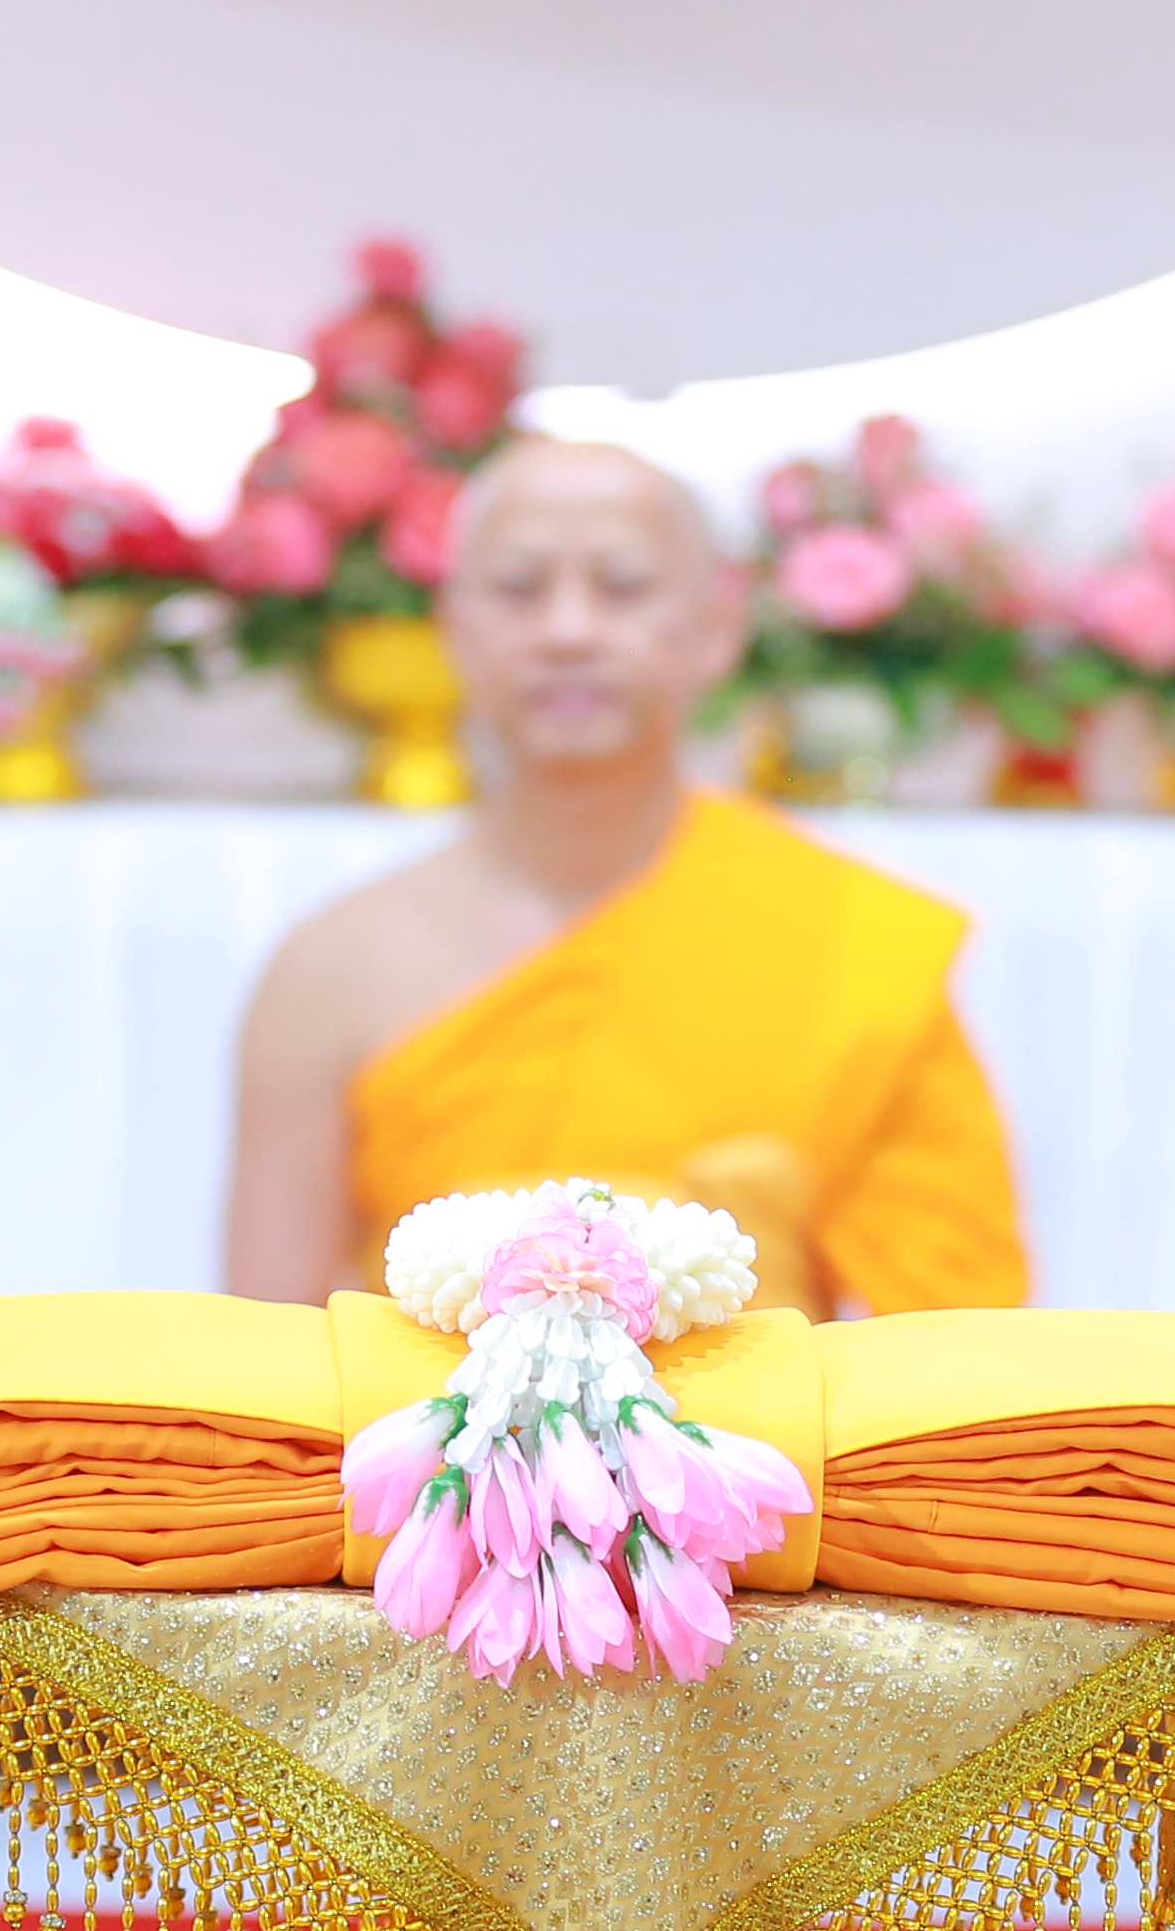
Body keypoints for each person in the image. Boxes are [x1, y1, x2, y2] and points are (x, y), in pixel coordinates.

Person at [218, 438, 1024, 1317]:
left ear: (717, 630)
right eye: (521, 588)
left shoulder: (854, 941)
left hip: (775, 1448)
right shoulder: (330, 971)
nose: (569, 631)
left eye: (624, 586)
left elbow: (959, 1347)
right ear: (454, 631)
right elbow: (270, 1361)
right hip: (428, 1450)